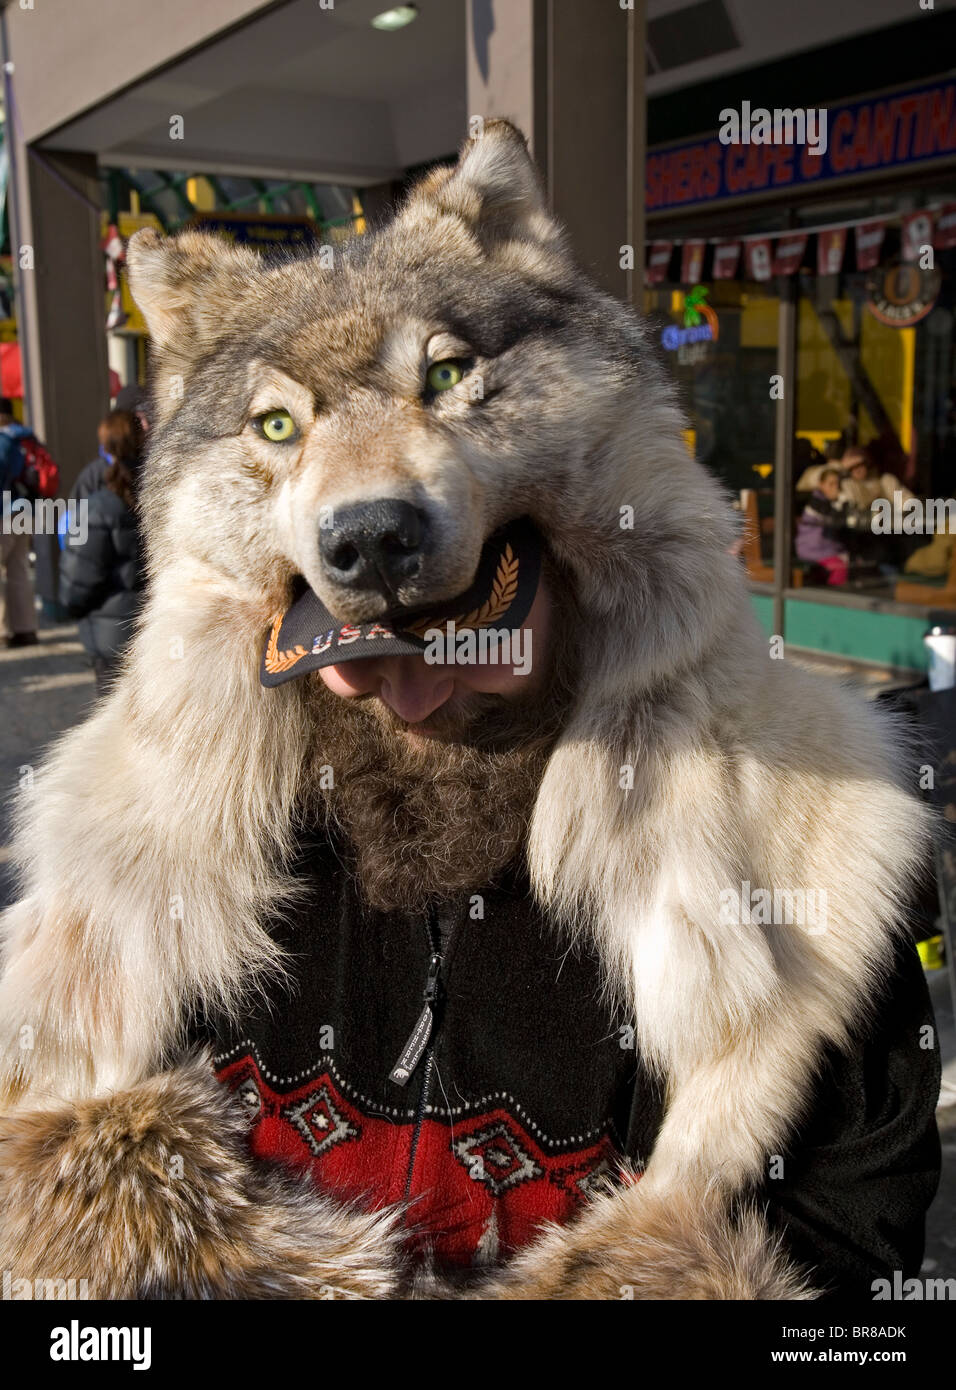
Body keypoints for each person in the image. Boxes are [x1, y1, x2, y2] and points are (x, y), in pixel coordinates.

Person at [58, 409, 147, 695]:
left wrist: (72, 606)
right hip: (157, 630)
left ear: (106, 446)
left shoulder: (97, 505)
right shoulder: (164, 495)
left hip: (112, 637)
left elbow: (76, 583)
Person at [0, 396, 38, 647]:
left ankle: (2, 631)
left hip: (4, 511)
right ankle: (26, 629)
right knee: (19, 569)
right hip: (25, 510)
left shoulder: (3, 441)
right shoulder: (27, 437)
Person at [72, 383, 150, 503]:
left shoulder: (153, 467)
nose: (146, 425)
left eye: (148, 417)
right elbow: (73, 519)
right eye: (137, 420)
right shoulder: (94, 476)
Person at [795, 466, 850, 584]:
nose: (835, 488)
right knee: (840, 568)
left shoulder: (831, 503)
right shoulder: (815, 503)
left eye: (837, 484)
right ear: (821, 485)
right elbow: (835, 519)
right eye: (831, 484)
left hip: (828, 549)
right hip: (812, 550)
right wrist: (842, 499)